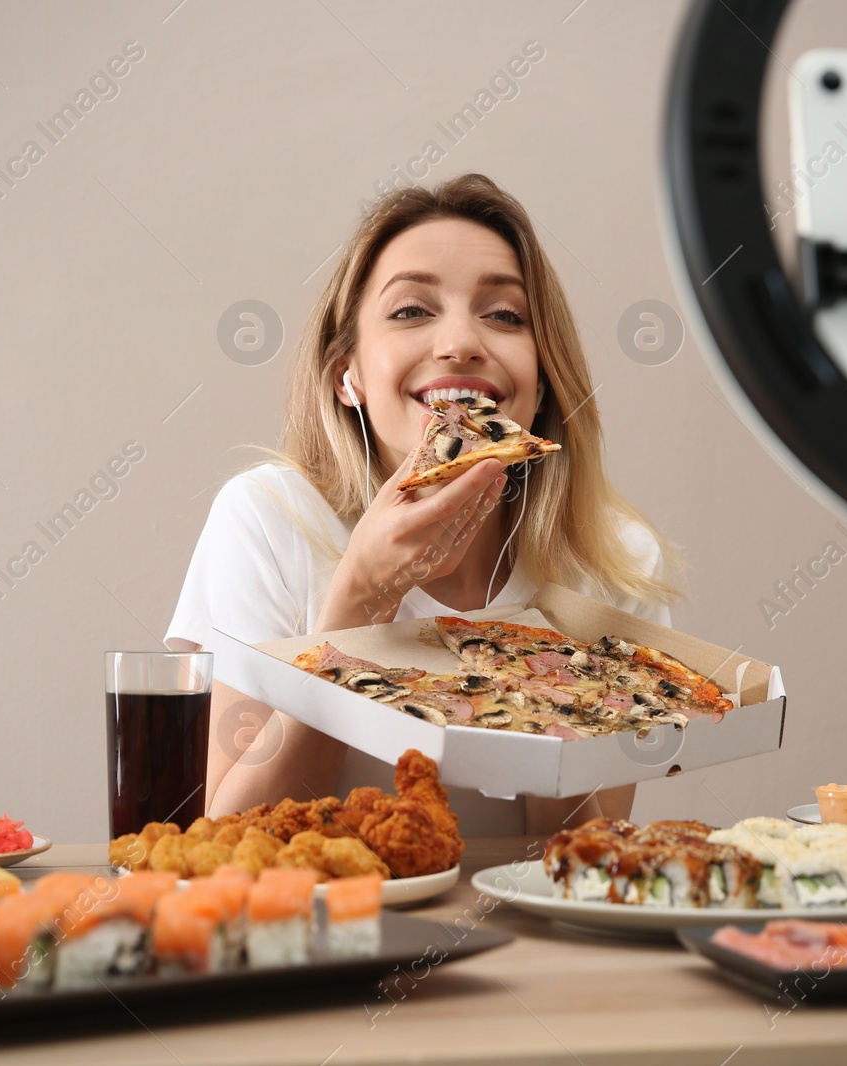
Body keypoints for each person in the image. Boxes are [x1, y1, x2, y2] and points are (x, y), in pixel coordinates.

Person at [165, 173, 682, 834]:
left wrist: (557, 688)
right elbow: (227, 840)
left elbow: (580, 863)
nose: (461, 342)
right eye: (411, 310)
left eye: (504, 315)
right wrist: (357, 606)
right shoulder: (270, 519)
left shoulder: (611, 563)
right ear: (345, 375)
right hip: (316, 929)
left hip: (520, 939)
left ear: (544, 379)